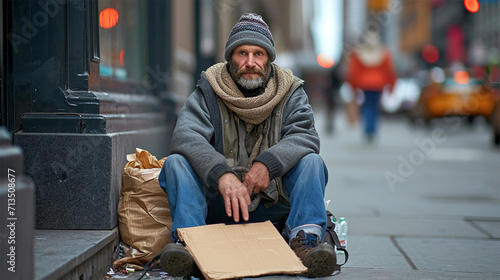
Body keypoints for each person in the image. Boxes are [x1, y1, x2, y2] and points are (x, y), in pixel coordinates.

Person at [158, 13, 335, 278]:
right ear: (230, 58)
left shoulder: (291, 91)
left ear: (269, 59)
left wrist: (268, 164)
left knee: (312, 162)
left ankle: (305, 243)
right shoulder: (208, 88)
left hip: (272, 203)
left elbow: (305, 136)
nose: (250, 63)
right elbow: (186, 137)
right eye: (242, 53)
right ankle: (190, 243)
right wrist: (222, 174)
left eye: (258, 54)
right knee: (176, 163)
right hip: (218, 202)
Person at [346, 31, 397, 142]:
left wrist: (353, 86)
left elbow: (353, 72)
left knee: (367, 106)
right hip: (379, 85)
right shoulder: (385, 53)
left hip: (364, 85)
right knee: (374, 106)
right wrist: (392, 85)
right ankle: (372, 129)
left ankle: (369, 130)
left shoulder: (357, 54)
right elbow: (389, 71)